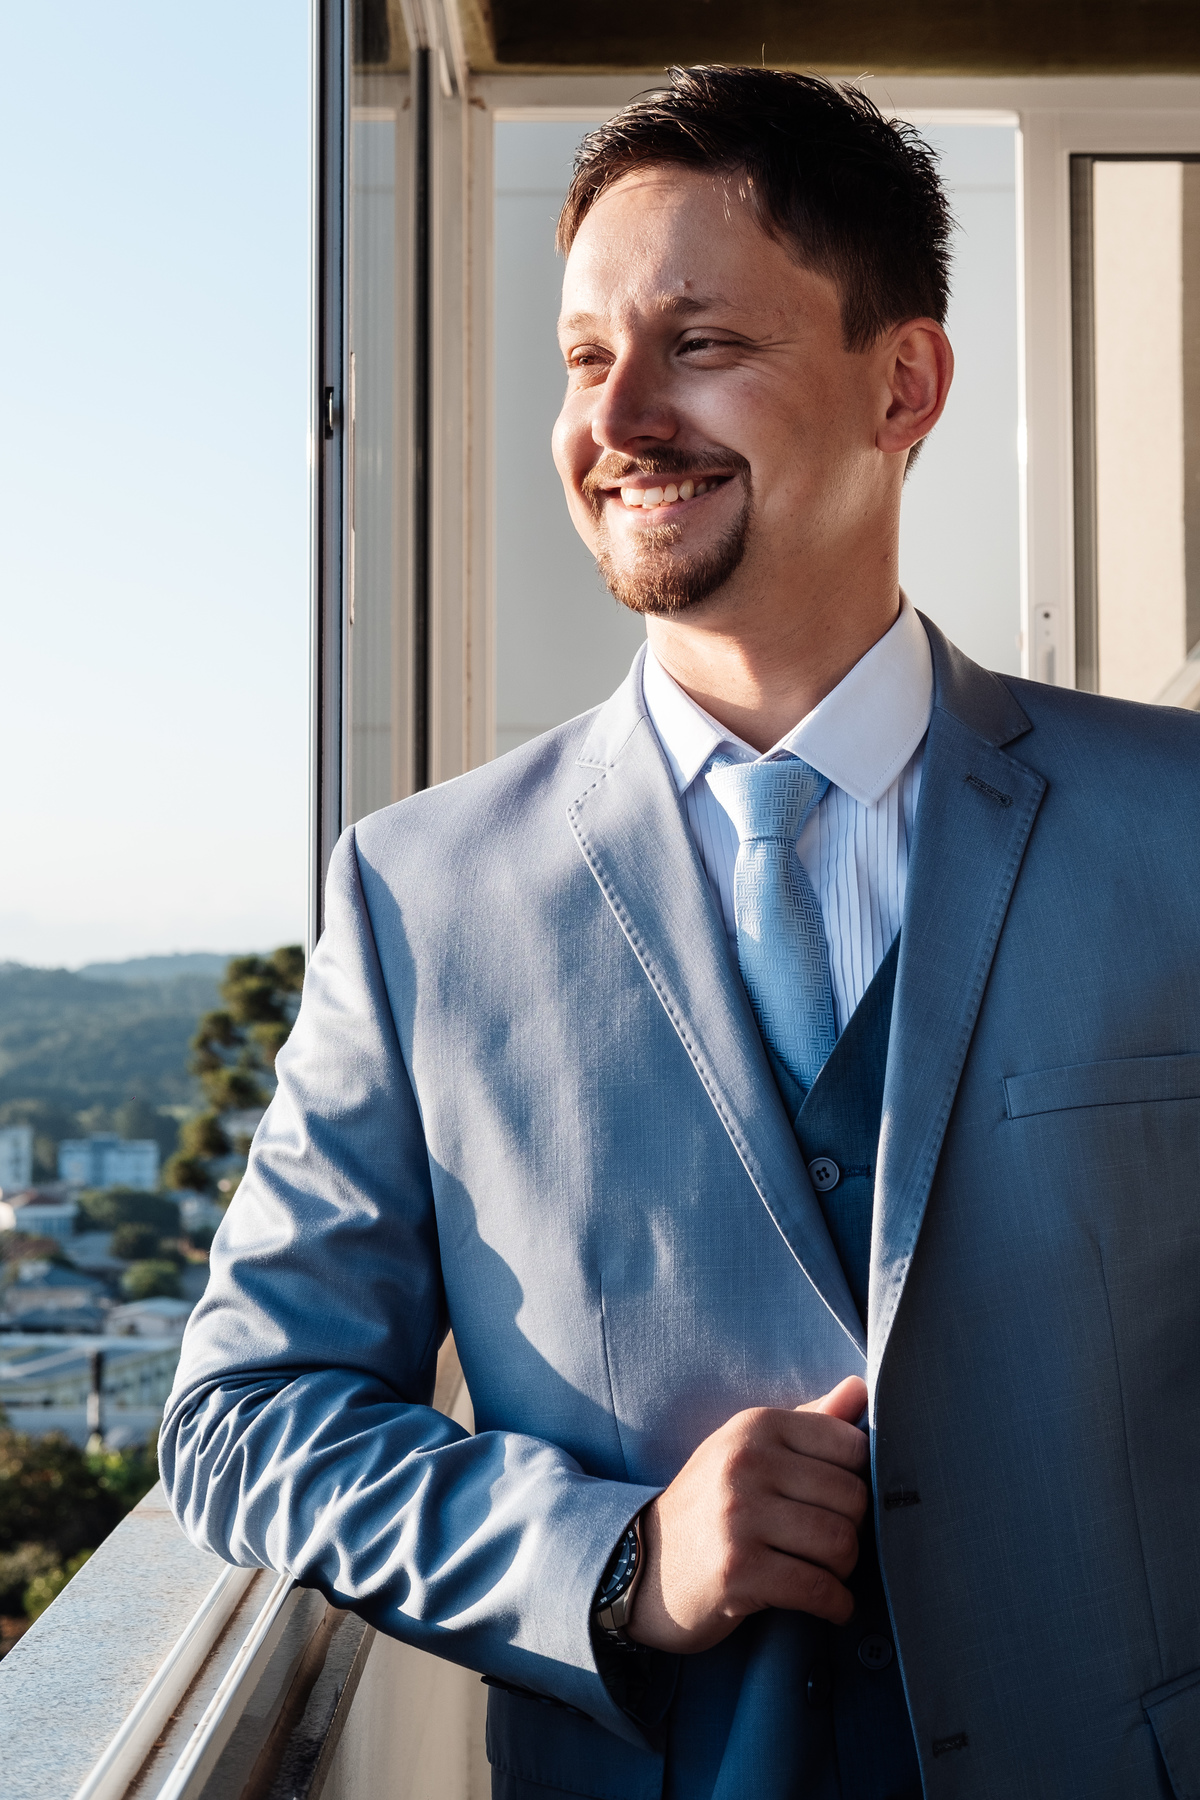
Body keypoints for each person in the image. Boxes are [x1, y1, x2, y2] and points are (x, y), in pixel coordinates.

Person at [162, 66, 1200, 1800]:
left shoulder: (1176, 827)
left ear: (906, 383)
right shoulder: (419, 897)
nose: (618, 417)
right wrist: (611, 1559)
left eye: (698, 342)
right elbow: (239, 1419)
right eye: (583, 357)